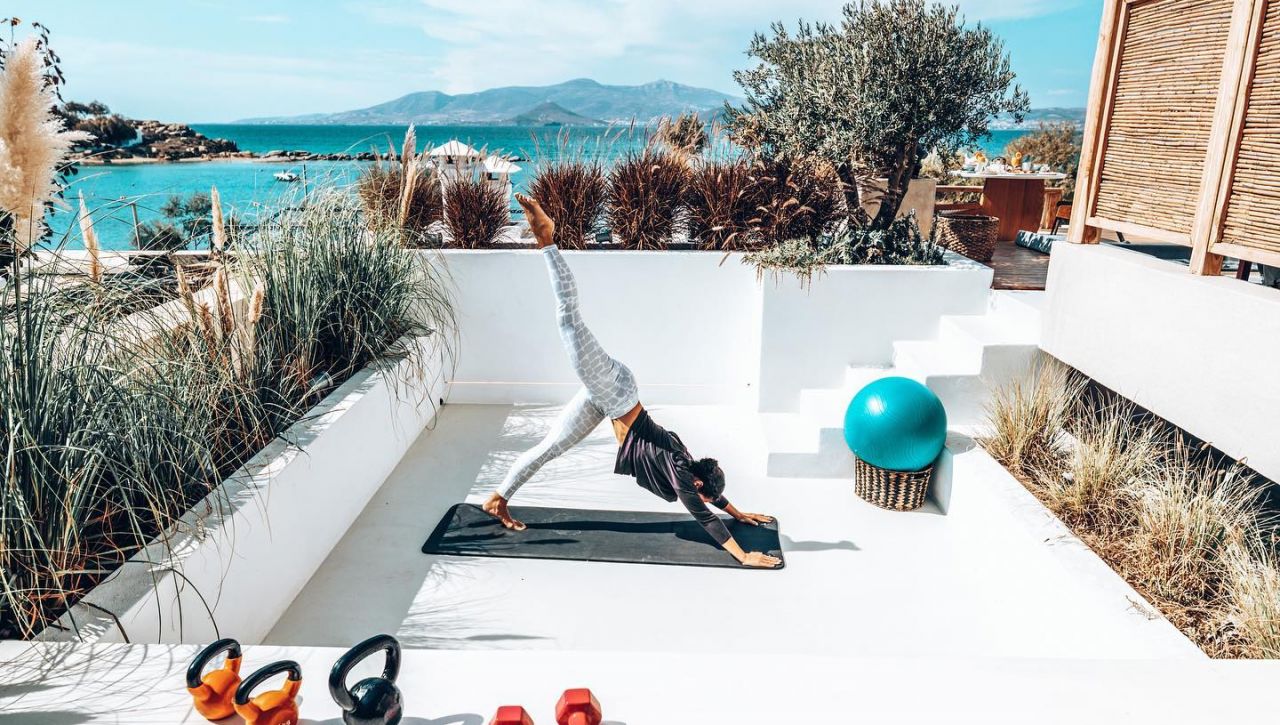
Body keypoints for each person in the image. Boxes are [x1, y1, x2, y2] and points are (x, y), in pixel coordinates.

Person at [482, 194, 781, 568]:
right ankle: (547, 240)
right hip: (615, 392)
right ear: (697, 484)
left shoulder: (691, 466)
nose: (700, 498)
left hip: (606, 401)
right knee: (569, 320)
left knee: (550, 448)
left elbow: (712, 498)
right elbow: (704, 516)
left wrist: (739, 513)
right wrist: (743, 555)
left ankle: (497, 498)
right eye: (701, 494)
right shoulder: (683, 473)